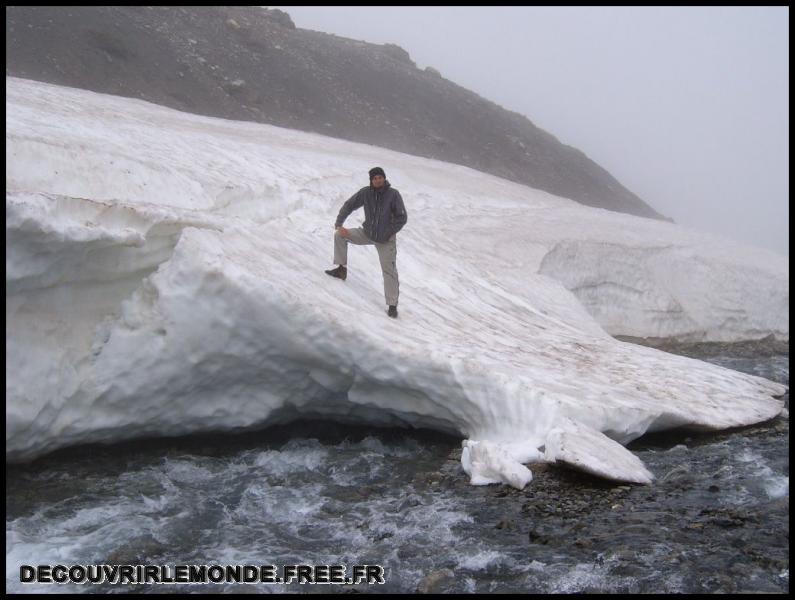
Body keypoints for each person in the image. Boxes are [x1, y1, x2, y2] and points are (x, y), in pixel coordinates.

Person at [325, 167, 408, 318]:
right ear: (371, 180)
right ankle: (341, 269)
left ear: (384, 178)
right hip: (367, 233)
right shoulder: (366, 193)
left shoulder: (393, 194)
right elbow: (349, 205)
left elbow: (402, 218)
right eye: (375, 178)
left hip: (385, 240)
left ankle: (392, 305)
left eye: (380, 177)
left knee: (389, 271)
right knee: (339, 235)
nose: (378, 180)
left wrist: (388, 232)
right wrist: (339, 223)